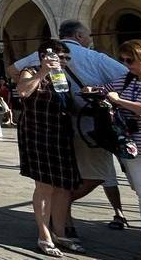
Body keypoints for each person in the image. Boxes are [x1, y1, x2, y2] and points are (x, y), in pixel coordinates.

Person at [11, 20, 131, 235]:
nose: (64, 61)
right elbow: (127, 76)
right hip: (84, 128)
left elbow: (12, 69)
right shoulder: (93, 57)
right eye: (88, 36)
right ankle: (56, 216)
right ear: (79, 36)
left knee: (66, 180)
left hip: (63, 127)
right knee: (94, 175)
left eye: (66, 58)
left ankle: (63, 221)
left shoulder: (48, 57)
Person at [16, 38, 82, 257]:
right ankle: (44, 236)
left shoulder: (62, 75)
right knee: (44, 186)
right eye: (60, 57)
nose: (64, 61)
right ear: (44, 56)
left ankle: (60, 233)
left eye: (66, 58)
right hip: (38, 134)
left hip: (61, 134)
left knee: (63, 186)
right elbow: (23, 92)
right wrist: (43, 71)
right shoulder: (30, 71)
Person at [105, 38, 141, 254]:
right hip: (134, 149)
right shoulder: (126, 80)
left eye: (130, 60)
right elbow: (104, 91)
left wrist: (119, 101)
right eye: (122, 60)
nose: (125, 64)